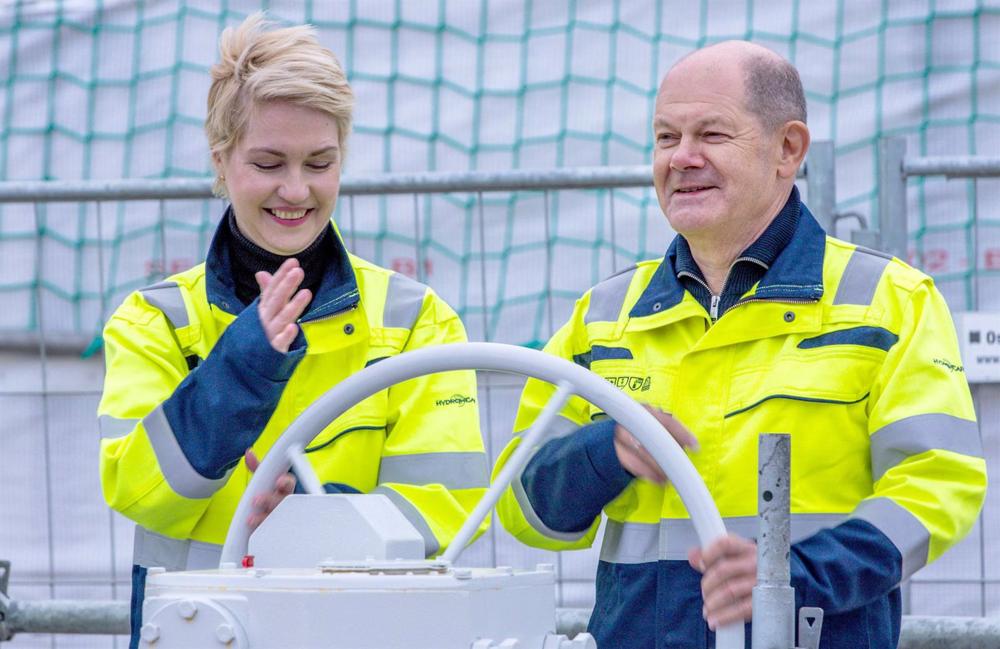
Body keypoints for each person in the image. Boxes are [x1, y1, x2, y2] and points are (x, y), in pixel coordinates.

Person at [494, 40, 986, 648]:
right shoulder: (601, 318)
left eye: (712, 135)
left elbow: (937, 484)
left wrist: (795, 575)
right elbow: (521, 510)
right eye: (666, 137)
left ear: (788, 149)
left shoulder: (891, 301)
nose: (682, 158)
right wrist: (605, 451)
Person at [96, 13, 488, 648]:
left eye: (319, 162)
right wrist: (238, 371)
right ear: (221, 160)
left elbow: (450, 508)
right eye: (269, 162)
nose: (296, 189)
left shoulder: (417, 318)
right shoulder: (157, 320)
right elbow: (138, 493)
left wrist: (314, 517)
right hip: (201, 631)